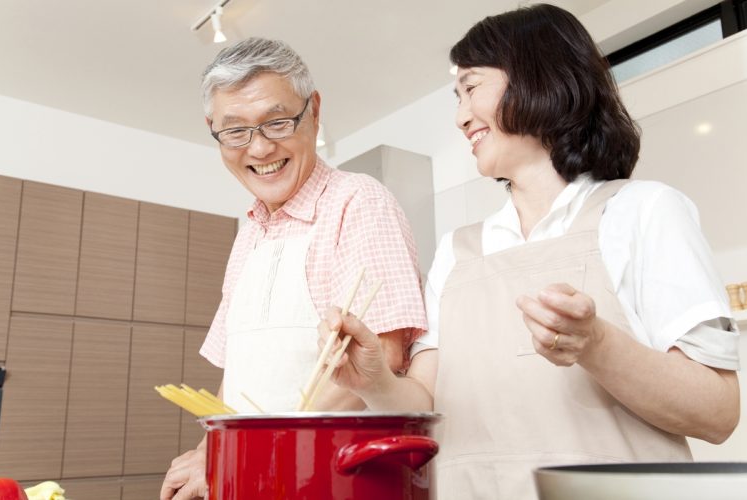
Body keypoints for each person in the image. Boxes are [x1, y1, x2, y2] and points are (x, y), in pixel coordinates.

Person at [317, 4, 741, 499]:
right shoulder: (458, 250)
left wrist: (596, 344)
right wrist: (372, 381)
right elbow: (424, 400)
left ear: (539, 77)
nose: (459, 117)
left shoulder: (644, 211)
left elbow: (717, 413)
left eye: (471, 88)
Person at [160, 37, 427, 500]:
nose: (259, 148)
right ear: (214, 130)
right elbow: (239, 369)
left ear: (314, 111)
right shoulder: (249, 231)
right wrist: (211, 448)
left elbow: (384, 356)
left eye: (277, 122)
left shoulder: (358, 202)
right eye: (235, 130)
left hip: (332, 478)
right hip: (253, 476)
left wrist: (242, 452)